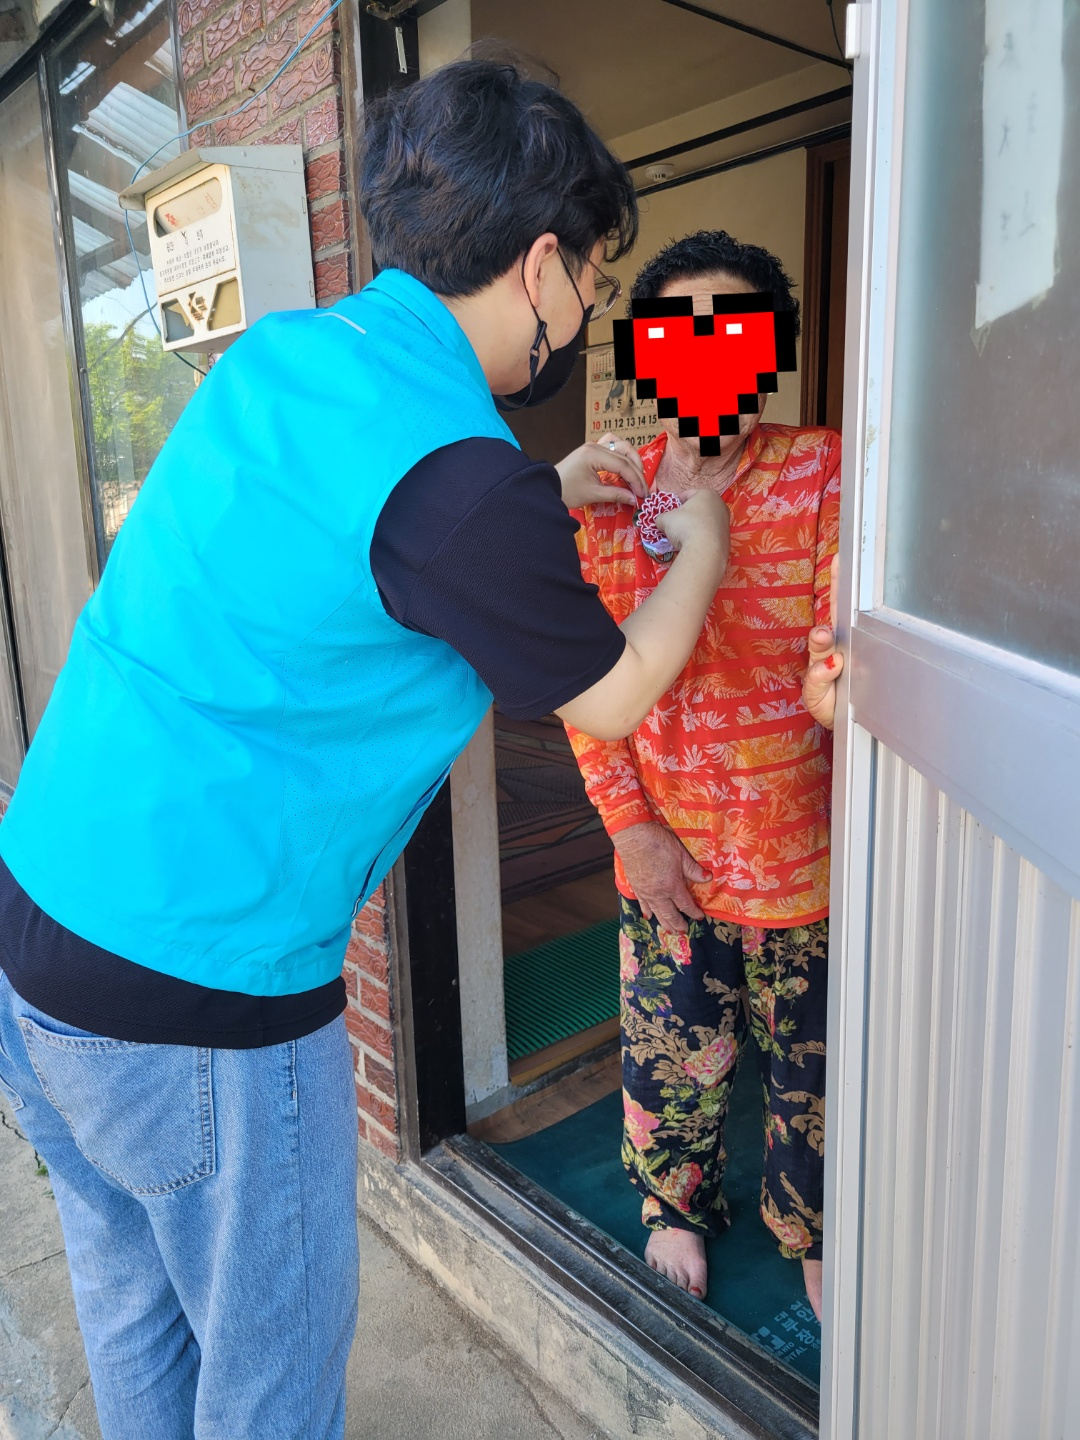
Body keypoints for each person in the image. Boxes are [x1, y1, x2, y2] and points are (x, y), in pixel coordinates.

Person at [0, 64, 730, 1440]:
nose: (583, 314)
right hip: (194, 988)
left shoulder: (291, 350)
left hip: (41, 919)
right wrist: (707, 545)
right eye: (591, 283)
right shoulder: (462, 483)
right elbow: (617, 693)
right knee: (269, 1381)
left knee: (135, 1306)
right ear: (540, 265)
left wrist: (544, 489)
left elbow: (372, 542)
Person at [566, 230, 843, 1321]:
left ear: (770, 352)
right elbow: (581, 679)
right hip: (667, 848)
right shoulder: (609, 489)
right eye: (678, 336)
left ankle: (811, 1228)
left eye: (733, 333)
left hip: (803, 852)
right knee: (671, 1048)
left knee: (814, 1072)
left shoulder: (823, 466)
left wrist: (836, 676)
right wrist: (630, 828)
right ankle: (674, 1204)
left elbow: (840, 635)